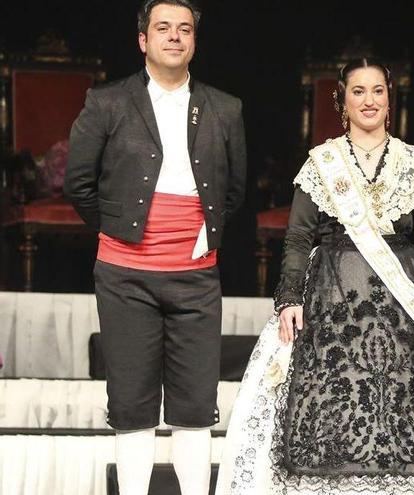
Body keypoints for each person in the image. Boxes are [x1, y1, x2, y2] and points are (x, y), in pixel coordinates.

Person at [217, 59, 414, 494]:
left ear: (390, 100)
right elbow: (298, 238)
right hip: (334, 299)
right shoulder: (323, 162)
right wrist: (289, 299)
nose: (369, 100)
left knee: (404, 409)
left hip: (403, 303)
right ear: (342, 101)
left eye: (378, 91)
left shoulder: (413, 162)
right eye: (358, 91)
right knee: (337, 404)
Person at [63, 1, 246, 494]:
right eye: (162, 28)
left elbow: (233, 194)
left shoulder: (225, 109)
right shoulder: (107, 102)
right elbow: (79, 185)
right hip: (124, 277)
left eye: (184, 29)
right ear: (143, 40)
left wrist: (193, 236)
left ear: (194, 42)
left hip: (196, 277)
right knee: (132, 403)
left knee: (193, 406)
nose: (174, 37)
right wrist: (126, 231)